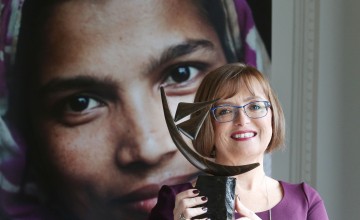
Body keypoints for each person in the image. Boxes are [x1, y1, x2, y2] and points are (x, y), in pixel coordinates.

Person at [0, 0, 270, 219]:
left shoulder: (294, 202)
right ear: (22, 135)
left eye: (180, 74)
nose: (147, 149)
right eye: (80, 103)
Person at [149, 63, 329, 220]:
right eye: (225, 111)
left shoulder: (305, 200)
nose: (242, 120)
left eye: (255, 106)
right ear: (205, 125)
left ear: (273, 117)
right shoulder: (176, 202)